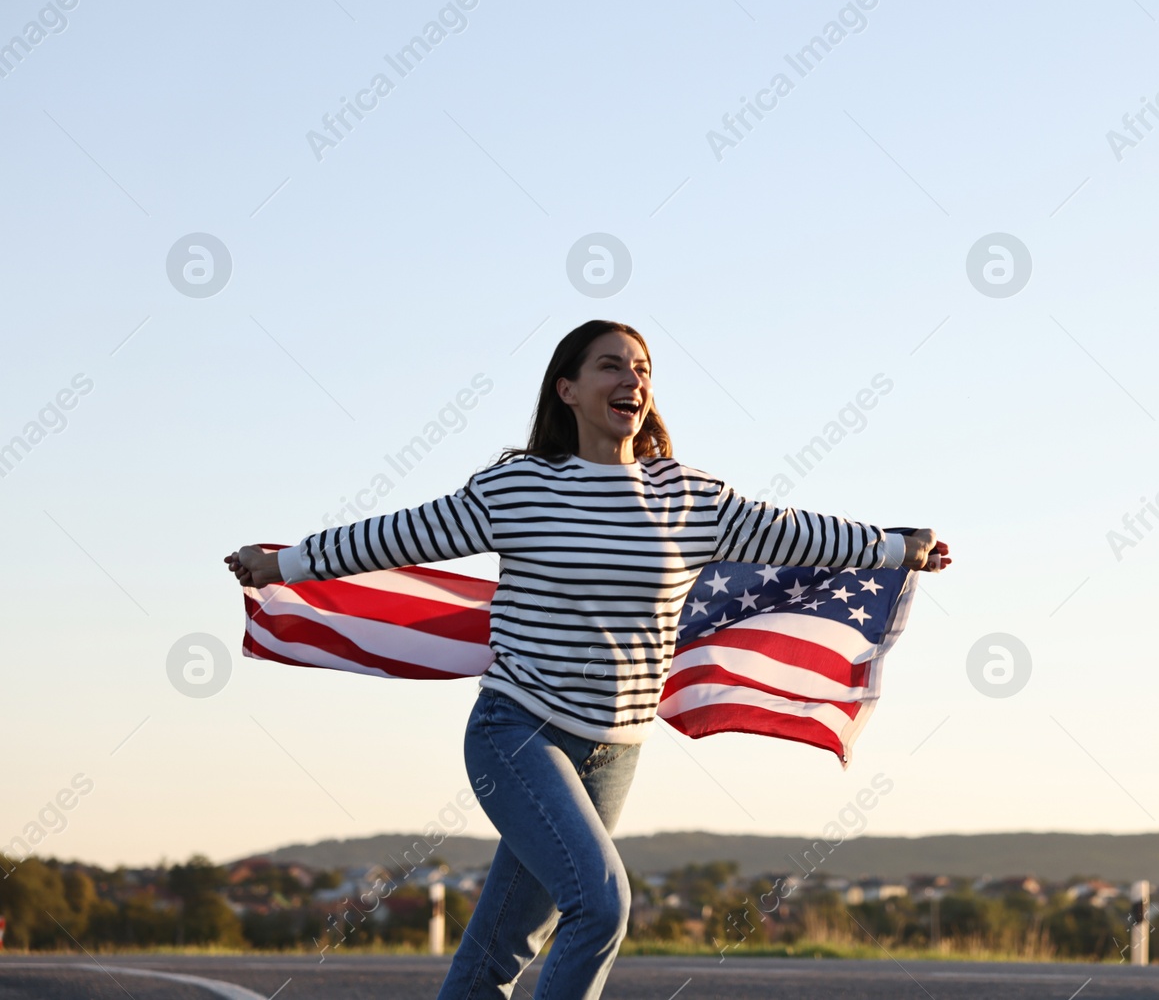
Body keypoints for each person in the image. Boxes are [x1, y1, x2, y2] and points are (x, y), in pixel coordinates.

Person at [225, 319, 951, 999]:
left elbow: (797, 534)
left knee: (501, 946)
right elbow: (399, 535)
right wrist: (281, 561)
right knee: (601, 904)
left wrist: (896, 545)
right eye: (612, 365)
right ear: (567, 388)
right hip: (518, 732)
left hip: (616, 750)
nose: (632, 379)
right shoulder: (518, 488)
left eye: (642, 369)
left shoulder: (692, 496)